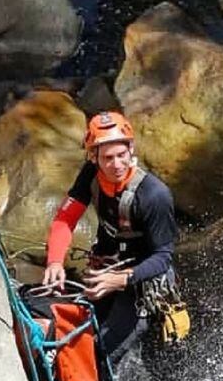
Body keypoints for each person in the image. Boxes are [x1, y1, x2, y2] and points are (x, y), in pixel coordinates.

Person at [41, 110, 177, 363]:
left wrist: (121, 279)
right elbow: (65, 219)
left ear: (131, 149)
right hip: (108, 267)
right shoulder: (90, 175)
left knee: (100, 350)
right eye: (107, 158)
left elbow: (164, 256)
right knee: (78, 328)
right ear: (94, 158)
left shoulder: (154, 195)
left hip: (143, 279)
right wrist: (55, 261)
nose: (116, 164)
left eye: (121, 155)